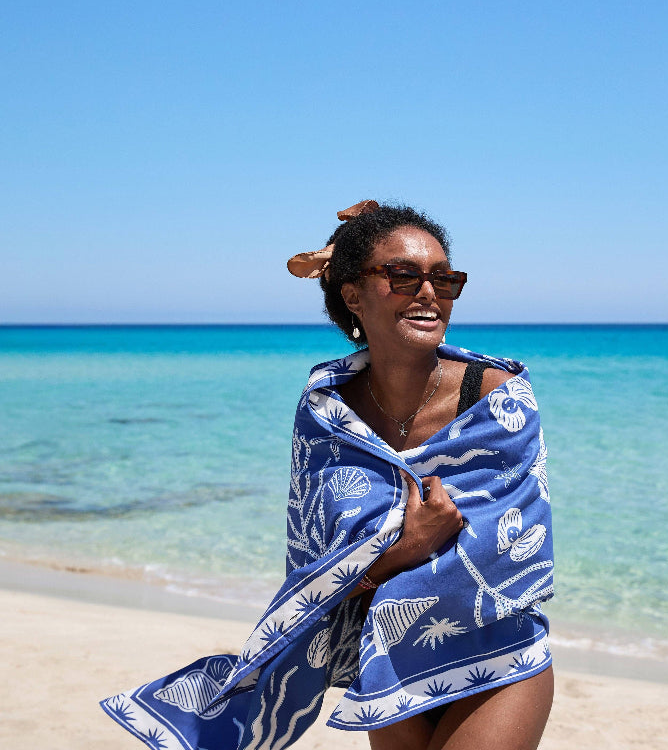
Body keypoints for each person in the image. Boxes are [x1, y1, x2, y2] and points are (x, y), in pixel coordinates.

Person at [101, 200, 553, 750]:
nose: (429, 293)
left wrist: (379, 558)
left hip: (495, 654)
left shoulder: (497, 397)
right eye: (403, 276)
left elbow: (504, 551)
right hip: (388, 659)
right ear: (352, 295)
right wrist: (403, 548)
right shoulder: (325, 412)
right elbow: (316, 557)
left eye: (444, 278)